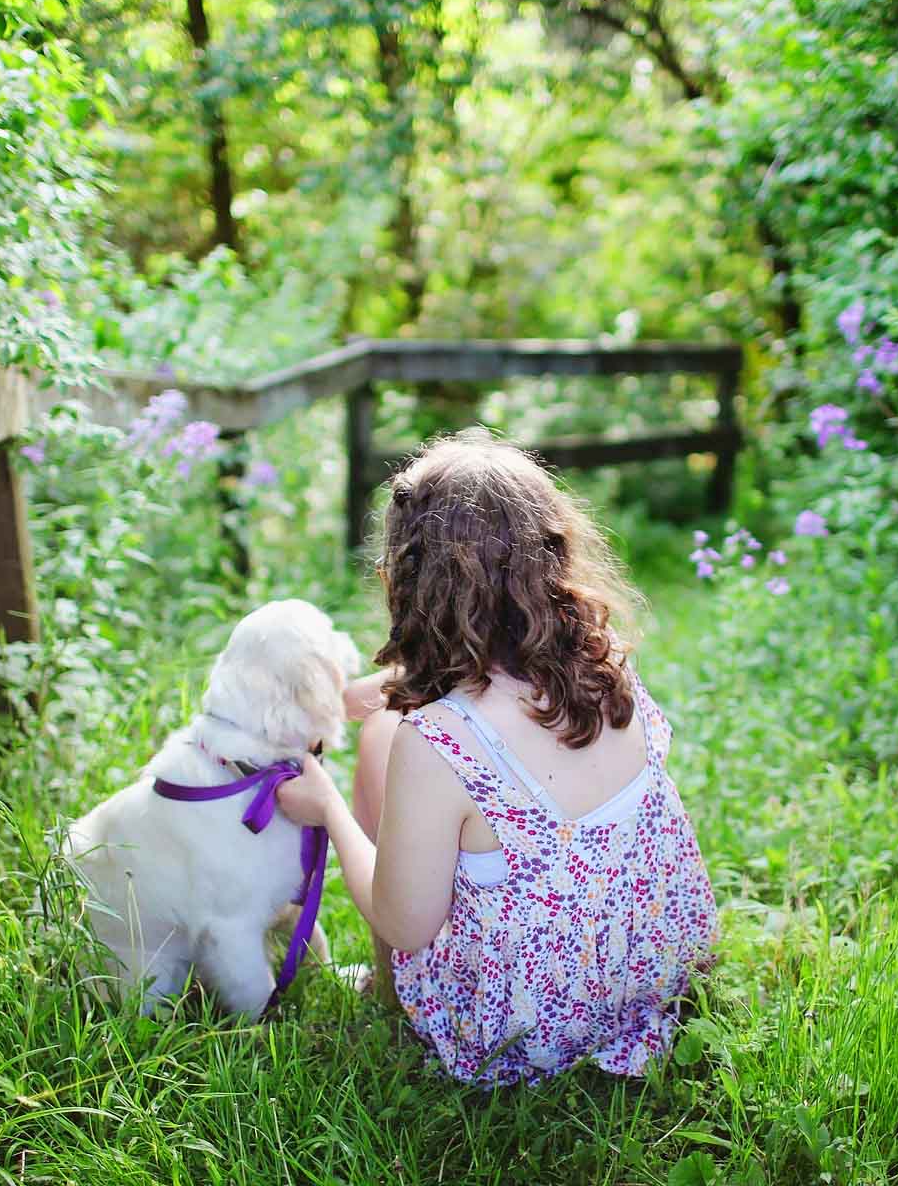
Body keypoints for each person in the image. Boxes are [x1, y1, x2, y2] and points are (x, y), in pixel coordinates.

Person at [276, 432, 717, 1086]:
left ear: (412, 578)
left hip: (523, 1027)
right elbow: (469, 688)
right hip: (650, 973)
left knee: (381, 737)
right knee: (387, 723)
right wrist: (340, 699)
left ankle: (390, 993)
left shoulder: (435, 741)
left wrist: (330, 811)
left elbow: (405, 923)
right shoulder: (605, 664)